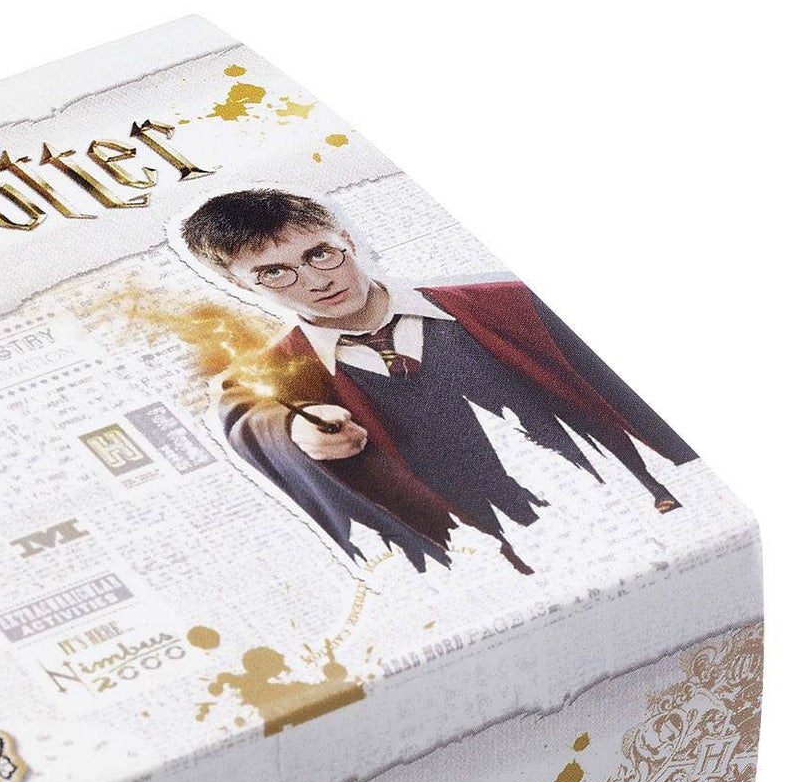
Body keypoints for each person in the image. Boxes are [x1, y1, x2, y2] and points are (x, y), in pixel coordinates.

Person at [179, 189, 697, 573]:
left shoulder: (511, 302)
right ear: (238, 286)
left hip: (636, 510)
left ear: (348, 240)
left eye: (320, 252)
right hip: (500, 560)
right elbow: (248, 416)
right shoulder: (278, 377)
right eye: (273, 272)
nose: (316, 281)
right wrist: (296, 431)